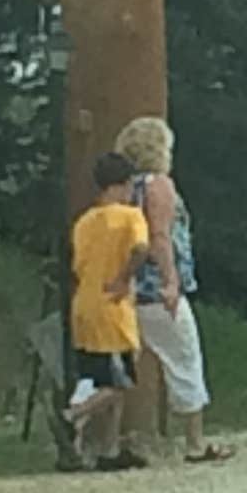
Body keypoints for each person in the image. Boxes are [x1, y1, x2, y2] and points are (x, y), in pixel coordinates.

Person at [116, 113, 233, 464]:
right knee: (184, 358)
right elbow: (161, 236)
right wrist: (171, 281)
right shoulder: (159, 185)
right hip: (156, 287)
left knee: (120, 364)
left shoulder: (123, 189)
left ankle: (101, 439)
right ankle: (195, 442)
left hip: (127, 287)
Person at [63, 151, 148, 472]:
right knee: (120, 380)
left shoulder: (84, 221)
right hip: (112, 307)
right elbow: (141, 249)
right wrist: (124, 278)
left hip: (83, 303)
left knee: (94, 376)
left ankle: (106, 448)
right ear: (124, 185)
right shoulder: (130, 217)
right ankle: (72, 417)